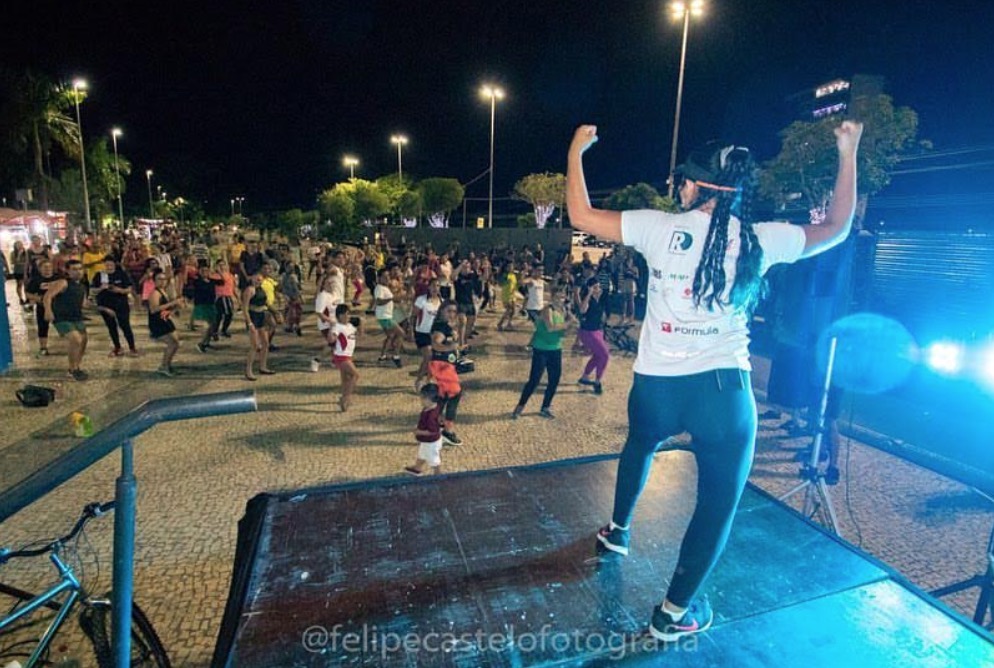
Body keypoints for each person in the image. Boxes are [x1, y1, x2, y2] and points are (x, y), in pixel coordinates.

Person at [566, 120, 863, 642]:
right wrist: (848, 150)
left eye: (683, 180)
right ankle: (672, 613)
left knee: (640, 445)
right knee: (717, 503)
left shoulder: (658, 227)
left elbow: (580, 214)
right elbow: (837, 227)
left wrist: (576, 153)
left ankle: (618, 532)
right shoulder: (761, 238)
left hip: (657, 387)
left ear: (697, 186)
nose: (677, 187)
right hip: (723, 396)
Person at [511, 285, 571, 419]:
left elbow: (562, 332)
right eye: (557, 296)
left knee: (554, 380)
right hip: (541, 349)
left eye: (562, 297)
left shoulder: (563, 310)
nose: (560, 299)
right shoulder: (547, 309)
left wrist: (570, 328)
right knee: (534, 380)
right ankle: (519, 407)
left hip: (556, 349)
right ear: (552, 297)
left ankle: (545, 407)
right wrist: (568, 324)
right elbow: (550, 327)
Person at [43, 260, 89, 381]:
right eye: (74, 269)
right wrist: (48, 310)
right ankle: (72, 369)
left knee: (83, 341)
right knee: (75, 339)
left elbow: (83, 303)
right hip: (61, 317)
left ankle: (76, 366)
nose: (78, 272)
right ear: (67, 271)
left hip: (76, 317)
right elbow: (47, 296)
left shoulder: (82, 286)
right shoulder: (63, 283)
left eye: (80, 269)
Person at [427, 301, 464, 446]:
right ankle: (447, 431)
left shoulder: (445, 325)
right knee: (455, 395)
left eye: (454, 311)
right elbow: (436, 344)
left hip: (444, 366)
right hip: (443, 367)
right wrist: (450, 347)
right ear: (441, 311)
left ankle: (433, 425)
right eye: (449, 311)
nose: (452, 314)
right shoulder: (441, 327)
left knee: (442, 397)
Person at [91, 256, 139, 357]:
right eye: (107, 265)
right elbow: (93, 290)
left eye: (111, 265)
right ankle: (117, 347)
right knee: (111, 327)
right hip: (105, 305)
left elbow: (129, 288)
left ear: (114, 265)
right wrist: (101, 288)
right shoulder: (99, 275)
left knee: (125, 326)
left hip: (121, 304)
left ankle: (132, 347)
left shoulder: (121, 274)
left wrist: (120, 290)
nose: (109, 267)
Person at [147, 268, 184, 377]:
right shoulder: (155, 293)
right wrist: (173, 303)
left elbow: (165, 309)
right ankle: (164, 366)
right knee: (173, 344)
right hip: (158, 322)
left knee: (175, 343)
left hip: (165, 320)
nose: (162, 281)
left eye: (164, 279)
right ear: (154, 280)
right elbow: (154, 309)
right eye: (159, 279)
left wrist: (175, 308)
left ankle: (166, 364)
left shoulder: (164, 291)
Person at [577, 279, 610, 395]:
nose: (598, 289)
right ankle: (597, 382)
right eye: (595, 287)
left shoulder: (600, 299)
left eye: (599, 287)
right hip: (587, 332)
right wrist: (589, 293)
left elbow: (602, 316)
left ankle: (585, 377)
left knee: (598, 355)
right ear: (590, 288)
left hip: (597, 331)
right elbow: (582, 310)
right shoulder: (589, 299)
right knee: (605, 355)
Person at [404, 383, 444, 476]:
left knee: (433, 459)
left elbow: (431, 431)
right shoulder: (434, 407)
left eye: (422, 398)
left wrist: (418, 431)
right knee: (422, 454)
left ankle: (438, 473)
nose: (420, 400)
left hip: (431, 442)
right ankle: (417, 468)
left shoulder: (431, 416)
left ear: (429, 400)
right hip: (429, 441)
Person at [242, 273, 276, 381]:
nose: (258, 281)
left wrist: (275, 312)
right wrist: (250, 323)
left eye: (260, 280)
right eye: (257, 279)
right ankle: (248, 370)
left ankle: (263, 366)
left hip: (262, 316)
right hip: (253, 317)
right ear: (252, 279)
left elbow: (266, 303)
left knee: (265, 343)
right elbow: (245, 308)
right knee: (255, 345)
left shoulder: (261, 289)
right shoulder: (250, 290)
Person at [413, 279, 443, 391]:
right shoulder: (421, 300)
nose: (436, 288)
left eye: (438, 285)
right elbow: (413, 315)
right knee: (428, 356)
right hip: (422, 332)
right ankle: (419, 380)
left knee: (433, 359)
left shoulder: (442, 301)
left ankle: (428, 381)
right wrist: (410, 331)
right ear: (429, 287)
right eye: (433, 285)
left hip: (435, 334)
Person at [330, 304, 360, 411]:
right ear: (340, 316)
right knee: (355, 375)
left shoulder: (350, 326)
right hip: (341, 356)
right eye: (346, 314)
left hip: (348, 356)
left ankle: (344, 400)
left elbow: (360, 334)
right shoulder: (338, 327)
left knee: (345, 379)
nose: (348, 316)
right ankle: (346, 397)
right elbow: (332, 339)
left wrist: (361, 324)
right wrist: (331, 332)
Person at [24, 258, 56, 356]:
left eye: (49, 267)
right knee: (42, 326)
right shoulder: (35, 280)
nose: (47, 269)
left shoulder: (58, 278)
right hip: (42, 306)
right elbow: (28, 293)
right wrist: (38, 298)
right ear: (40, 269)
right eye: (45, 267)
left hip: (57, 306)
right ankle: (43, 347)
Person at [374, 268, 404, 367]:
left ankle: (382, 356)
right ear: (379, 278)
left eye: (388, 276)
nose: (387, 278)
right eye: (384, 276)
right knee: (401, 333)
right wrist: (391, 298)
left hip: (386, 315)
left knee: (390, 336)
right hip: (385, 317)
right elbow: (379, 301)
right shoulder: (379, 288)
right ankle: (396, 356)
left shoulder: (385, 288)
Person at [10, 240, 28, 307]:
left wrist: (22, 263)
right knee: (19, 285)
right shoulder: (13, 253)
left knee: (26, 285)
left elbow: (27, 262)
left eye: (20, 244)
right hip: (18, 271)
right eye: (18, 245)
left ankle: (27, 298)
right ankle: (20, 298)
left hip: (25, 271)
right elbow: (14, 262)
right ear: (15, 246)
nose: (20, 246)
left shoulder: (26, 252)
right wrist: (19, 255)